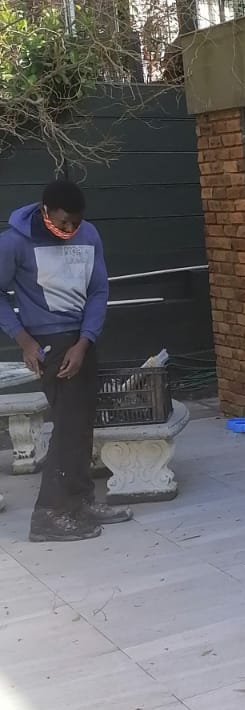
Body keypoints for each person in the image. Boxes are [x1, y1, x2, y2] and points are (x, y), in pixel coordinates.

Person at [0, 181, 131, 541]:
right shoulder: (14, 242)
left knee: (82, 424)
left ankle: (81, 502)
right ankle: (49, 515)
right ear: (45, 211)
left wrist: (85, 341)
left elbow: (99, 289)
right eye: (62, 223)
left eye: (76, 222)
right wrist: (24, 340)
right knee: (69, 426)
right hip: (48, 343)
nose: (70, 229)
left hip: (82, 340)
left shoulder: (89, 235)